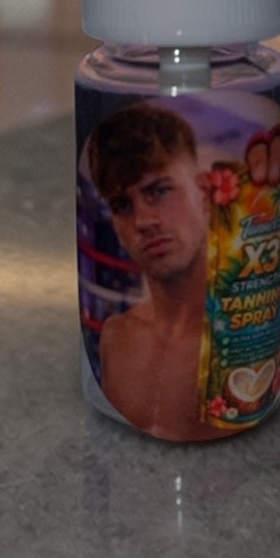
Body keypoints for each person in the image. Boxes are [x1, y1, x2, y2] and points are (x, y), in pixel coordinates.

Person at [85, 102, 218, 442]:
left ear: (204, 194)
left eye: (158, 191)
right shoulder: (116, 337)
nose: (143, 221)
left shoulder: (241, 337)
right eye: (122, 205)